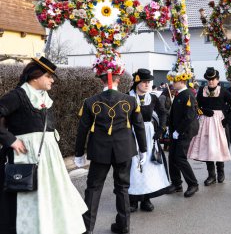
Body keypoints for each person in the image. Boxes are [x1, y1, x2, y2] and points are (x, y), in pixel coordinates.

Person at [0, 57, 87, 234]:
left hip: (48, 157)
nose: (52, 80)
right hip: (25, 157)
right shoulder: (17, 95)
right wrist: (10, 139)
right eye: (48, 76)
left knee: (50, 194)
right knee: (26, 196)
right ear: (35, 76)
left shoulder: (45, 98)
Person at [74, 65, 147, 234]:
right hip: (124, 150)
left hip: (100, 151)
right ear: (118, 80)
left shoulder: (90, 101)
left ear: (101, 80)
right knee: (122, 188)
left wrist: (79, 153)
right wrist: (143, 149)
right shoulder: (130, 100)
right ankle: (124, 226)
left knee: (93, 188)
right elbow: (139, 127)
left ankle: (88, 228)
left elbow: (82, 129)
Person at [128, 69, 170, 212]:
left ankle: (146, 199)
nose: (147, 84)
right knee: (134, 166)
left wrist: (161, 130)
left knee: (147, 167)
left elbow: (163, 113)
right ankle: (132, 199)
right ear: (137, 82)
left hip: (149, 135)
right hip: (131, 136)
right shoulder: (127, 97)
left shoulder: (152, 98)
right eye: (144, 82)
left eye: (149, 82)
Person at [187, 67, 231, 185]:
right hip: (205, 122)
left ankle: (221, 172)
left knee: (218, 147)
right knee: (207, 147)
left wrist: (227, 119)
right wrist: (203, 110)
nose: (211, 82)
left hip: (219, 122)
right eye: (209, 80)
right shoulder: (202, 89)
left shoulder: (223, 91)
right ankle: (211, 175)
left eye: (213, 79)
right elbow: (196, 106)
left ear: (218, 80)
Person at [167, 76, 199, 197]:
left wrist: (178, 131)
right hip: (176, 131)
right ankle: (176, 184)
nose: (172, 83)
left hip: (185, 131)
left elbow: (189, 116)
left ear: (182, 82)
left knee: (180, 157)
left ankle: (193, 184)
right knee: (172, 157)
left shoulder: (188, 94)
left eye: (175, 81)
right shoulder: (179, 93)